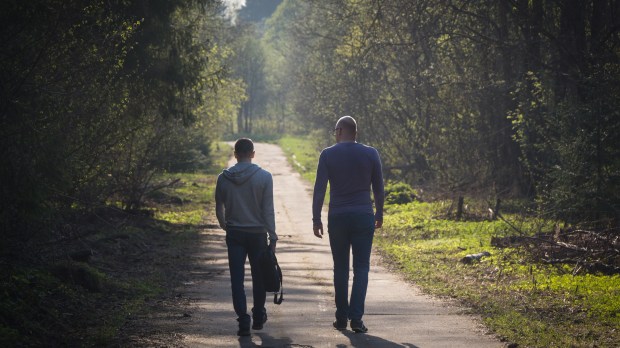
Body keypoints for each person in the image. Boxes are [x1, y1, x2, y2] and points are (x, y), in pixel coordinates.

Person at [312, 116, 384, 333]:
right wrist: (379, 212)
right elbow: (379, 187)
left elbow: (319, 189)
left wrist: (316, 218)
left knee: (341, 268)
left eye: (336, 129)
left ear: (341, 130)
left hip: (339, 217)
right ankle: (357, 319)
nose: (335, 132)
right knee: (362, 268)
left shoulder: (328, 154)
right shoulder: (371, 153)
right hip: (363, 216)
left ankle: (341, 317)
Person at [215, 138, 277, 336]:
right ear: (252, 153)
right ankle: (258, 315)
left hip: (235, 234)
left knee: (237, 279)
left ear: (235, 154)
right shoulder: (265, 177)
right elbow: (268, 210)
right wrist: (273, 236)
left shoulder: (223, 178)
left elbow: (219, 206)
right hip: (258, 234)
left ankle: (243, 319)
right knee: (259, 277)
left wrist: (225, 225)